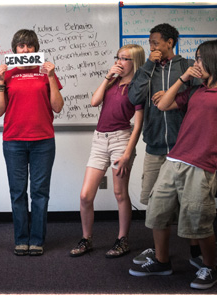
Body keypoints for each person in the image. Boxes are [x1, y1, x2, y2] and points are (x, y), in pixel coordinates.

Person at [129, 40, 217, 290]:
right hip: (174, 160)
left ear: (216, 60)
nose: (196, 64)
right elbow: (162, 104)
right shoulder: (195, 90)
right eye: (196, 59)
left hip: (205, 166)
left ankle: (210, 267)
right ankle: (162, 261)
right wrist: (183, 78)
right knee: (157, 212)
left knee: (198, 219)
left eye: (200, 59)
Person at [128, 23, 203, 268]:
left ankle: (195, 251)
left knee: (188, 203)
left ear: (170, 42)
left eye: (156, 43)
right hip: (155, 145)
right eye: (150, 43)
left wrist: (174, 98)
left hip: (185, 149)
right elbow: (134, 97)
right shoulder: (147, 70)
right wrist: (148, 65)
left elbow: (201, 99)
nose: (152, 47)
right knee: (154, 201)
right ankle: (160, 253)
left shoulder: (188, 66)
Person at [0, 29, 64, 256]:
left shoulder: (45, 74)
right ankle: (21, 239)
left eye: (30, 46)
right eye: (21, 46)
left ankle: (37, 240)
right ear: (14, 50)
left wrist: (51, 77)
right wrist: (1, 81)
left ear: (36, 49)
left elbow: (58, 107)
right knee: (17, 192)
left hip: (43, 141)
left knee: (40, 193)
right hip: (14, 141)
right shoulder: (8, 75)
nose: (25, 50)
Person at [69, 44, 145, 258]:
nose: (120, 62)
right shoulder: (112, 82)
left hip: (122, 140)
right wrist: (107, 77)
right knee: (85, 195)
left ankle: (122, 240)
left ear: (135, 62)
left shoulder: (138, 87)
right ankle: (87, 239)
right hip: (99, 140)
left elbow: (138, 125)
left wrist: (128, 153)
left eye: (125, 59)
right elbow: (94, 102)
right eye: (118, 57)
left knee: (120, 193)